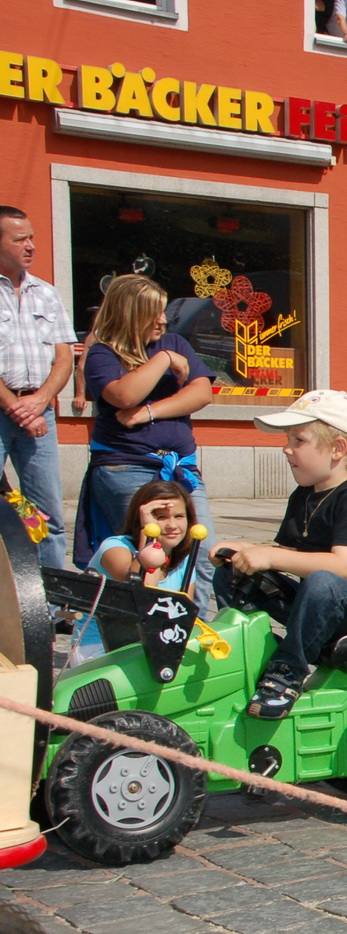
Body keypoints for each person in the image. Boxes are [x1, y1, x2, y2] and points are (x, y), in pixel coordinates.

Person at [216, 391, 347, 720]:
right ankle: (250, 654)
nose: (287, 449)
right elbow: (288, 555)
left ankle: (286, 675)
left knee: (322, 581)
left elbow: (341, 567)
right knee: (233, 572)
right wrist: (247, 552)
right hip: (317, 602)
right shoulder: (303, 495)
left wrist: (269, 557)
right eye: (288, 440)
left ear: (337, 449)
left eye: (298, 440)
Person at [77, 274, 216, 612]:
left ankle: (190, 630)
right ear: (129, 314)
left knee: (200, 552)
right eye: (153, 313)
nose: (163, 320)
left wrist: (148, 413)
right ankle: (147, 631)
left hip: (180, 468)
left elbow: (201, 393)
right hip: (126, 467)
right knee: (148, 554)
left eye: (163, 312)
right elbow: (124, 395)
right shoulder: (102, 355)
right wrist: (164, 360)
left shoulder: (174, 342)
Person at [0, 206, 73, 571]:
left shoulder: (45, 293)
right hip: (6, 406)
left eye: (31, 237)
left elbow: (64, 357)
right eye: (19, 239)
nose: (30, 245)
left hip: (39, 409)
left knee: (47, 510)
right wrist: (16, 406)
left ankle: (55, 597)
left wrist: (40, 400)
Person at [70, 480, 197, 665]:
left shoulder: (185, 560)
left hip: (152, 647)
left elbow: (184, 617)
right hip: (99, 648)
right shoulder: (115, 548)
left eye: (179, 516)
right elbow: (141, 595)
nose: (172, 525)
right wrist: (150, 536)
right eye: (160, 517)